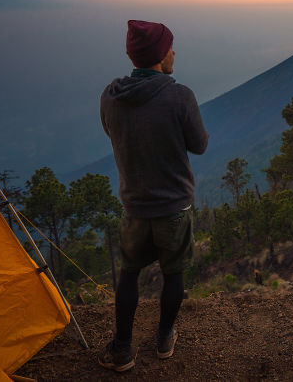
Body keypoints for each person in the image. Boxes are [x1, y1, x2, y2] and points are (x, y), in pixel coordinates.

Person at [98, 19, 209, 372]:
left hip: (134, 206)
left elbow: (112, 134)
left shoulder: (110, 97)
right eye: (171, 47)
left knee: (129, 274)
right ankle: (163, 339)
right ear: (161, 55)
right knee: (173, 274)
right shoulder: (179, 96)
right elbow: (200, 145)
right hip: (174, 207)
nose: (174, 52)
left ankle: (122, 349)